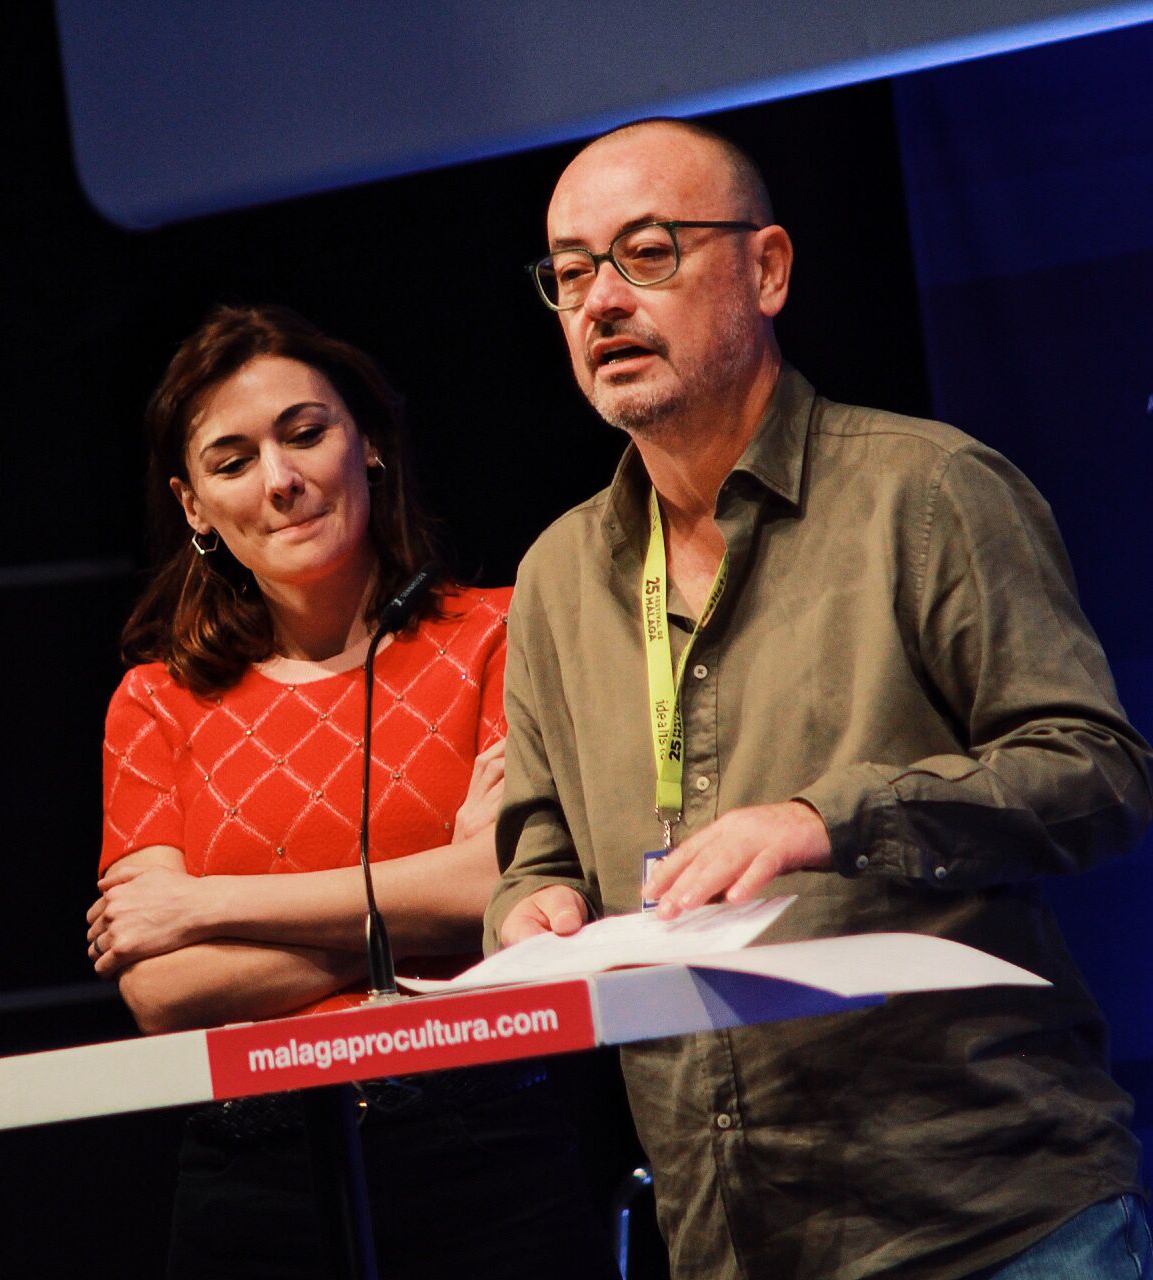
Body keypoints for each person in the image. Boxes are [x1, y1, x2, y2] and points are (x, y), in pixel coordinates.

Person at [488, 118, 1153, 1279]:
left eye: (647, 253)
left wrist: (827, 818)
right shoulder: (555, 576)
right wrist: (531, 903)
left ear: (769, 268)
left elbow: (1096, 771)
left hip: (983, 1216)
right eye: (573, 271)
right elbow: (538, 833)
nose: (600, 301)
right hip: (738, 1235)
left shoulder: (928, 491)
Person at [90, 304, 614, 1278]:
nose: (280, 481)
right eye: (232, 460)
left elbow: (500, 890)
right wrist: (432, 907)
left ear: (367, 444)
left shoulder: (498, 635)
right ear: (194, 505)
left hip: (486, 1144)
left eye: (304, 432)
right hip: (254, 1176)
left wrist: (207, 905)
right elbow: (161, 987)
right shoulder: (156, 700)